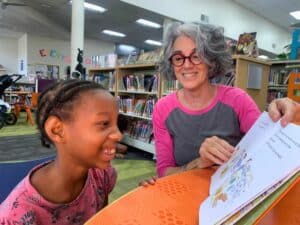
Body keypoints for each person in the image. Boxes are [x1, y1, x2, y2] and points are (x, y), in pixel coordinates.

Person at [149, 22, 298, 181]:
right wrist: (199, 163)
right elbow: (164, 173)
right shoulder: (162, 109)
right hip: (184, 194)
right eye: (178, 57)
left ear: (211, 60)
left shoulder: (237, 100)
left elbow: (268, 147)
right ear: (171, 64)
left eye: (196, 56)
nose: (186, 65)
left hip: (230, 195)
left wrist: (287, 120)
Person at [0, 79, 122, 224]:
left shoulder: (102, 176)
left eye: (117, 123)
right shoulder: (17, 216)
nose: (119, 135)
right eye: (104, 124)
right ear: (57, 130)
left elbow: (100, 220)